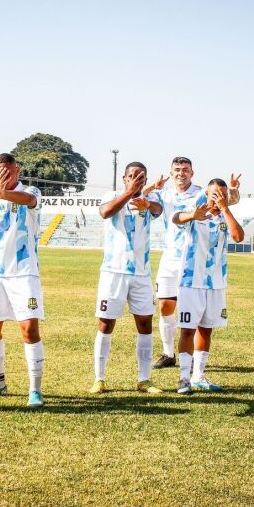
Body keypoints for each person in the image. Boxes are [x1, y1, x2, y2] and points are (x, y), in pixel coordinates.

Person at [144, 156, 240, 369]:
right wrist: (153, 186)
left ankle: (194, 361)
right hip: (170, 257)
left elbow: (228, 200)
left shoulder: (200, 192)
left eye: (185, 169)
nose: (181, 173)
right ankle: (168, 353)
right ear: (171, 173)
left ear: (192, 173)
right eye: (177, 169)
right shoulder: (163, 194)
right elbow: (141, 197)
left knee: (193, 314)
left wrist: (233, 190)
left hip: (194, 260)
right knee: (165, 306)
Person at [0, 154, 46, 408]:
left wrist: (1, 192)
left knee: (28, 329)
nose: (1, 176)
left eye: (6, 171)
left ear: (17, 170)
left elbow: (28, 200)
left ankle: (35, 390)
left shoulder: (30, 190)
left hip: (24, 273)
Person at [90, 162, 163, 394]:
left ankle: (144, 379)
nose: (136, 179)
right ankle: (99, 379)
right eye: (132, 176)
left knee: (144, 325)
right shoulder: (113, 195)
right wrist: (129, 192)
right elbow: (105, 212)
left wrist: (146, 201)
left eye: (141, 176)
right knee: (106, 323)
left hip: (141, 274)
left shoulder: (149, 201)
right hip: (114, 272)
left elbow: (158, 210)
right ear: (124, 178)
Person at [173, 179, 244, 393]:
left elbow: (238, 237)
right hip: (191, 281)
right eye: (214, 193)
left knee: (206, 329)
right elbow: (176, 218)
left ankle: (198, 376)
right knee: (187, 329)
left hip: (215, 283)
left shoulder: (225, 215)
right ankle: (184, 379)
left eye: (222, 194)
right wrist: (193, 215)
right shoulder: (197, 208)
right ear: (207, 192)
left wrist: (225, 208)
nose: (217, 197)